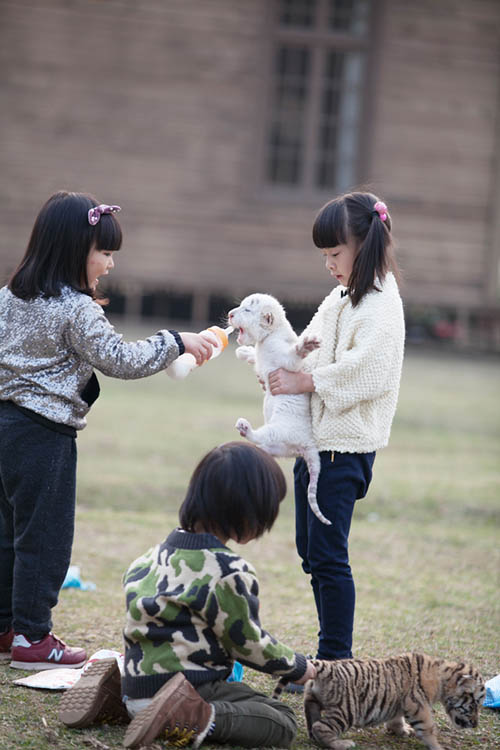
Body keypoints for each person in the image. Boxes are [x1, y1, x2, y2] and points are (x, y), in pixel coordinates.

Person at [0, 191, 216, 671]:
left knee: (7, 533)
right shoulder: (76, 309)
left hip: (3, 427)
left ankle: (5, 629)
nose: (111, 264)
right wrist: (174, 340)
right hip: (43, 435)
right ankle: (33, 639)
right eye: (105, 251)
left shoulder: (9, 297)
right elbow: (122, 359)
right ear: (76, 249)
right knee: (45, 538)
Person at [57, 441, 316, 749]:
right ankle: (194, 716)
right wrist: (301, 668)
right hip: (190, 686)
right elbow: (248, 643)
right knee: (280, 719)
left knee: (153, 697)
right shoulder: (228, 570)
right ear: (247, 511)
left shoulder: (146, 560)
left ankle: (117, 700)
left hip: (138, 685)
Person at [267, 191, 405, 679]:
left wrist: (308, 380)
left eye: (334, 254)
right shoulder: (340, 298)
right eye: (324, 256)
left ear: (364, 245)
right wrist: (282, 361)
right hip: (314, 444)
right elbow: (309, 344)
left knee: (328, 555)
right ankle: (330, 655)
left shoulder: (382, 306)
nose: (328, 265)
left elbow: (370, 372)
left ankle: (335, 662)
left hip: (344, 449)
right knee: (310, 552)